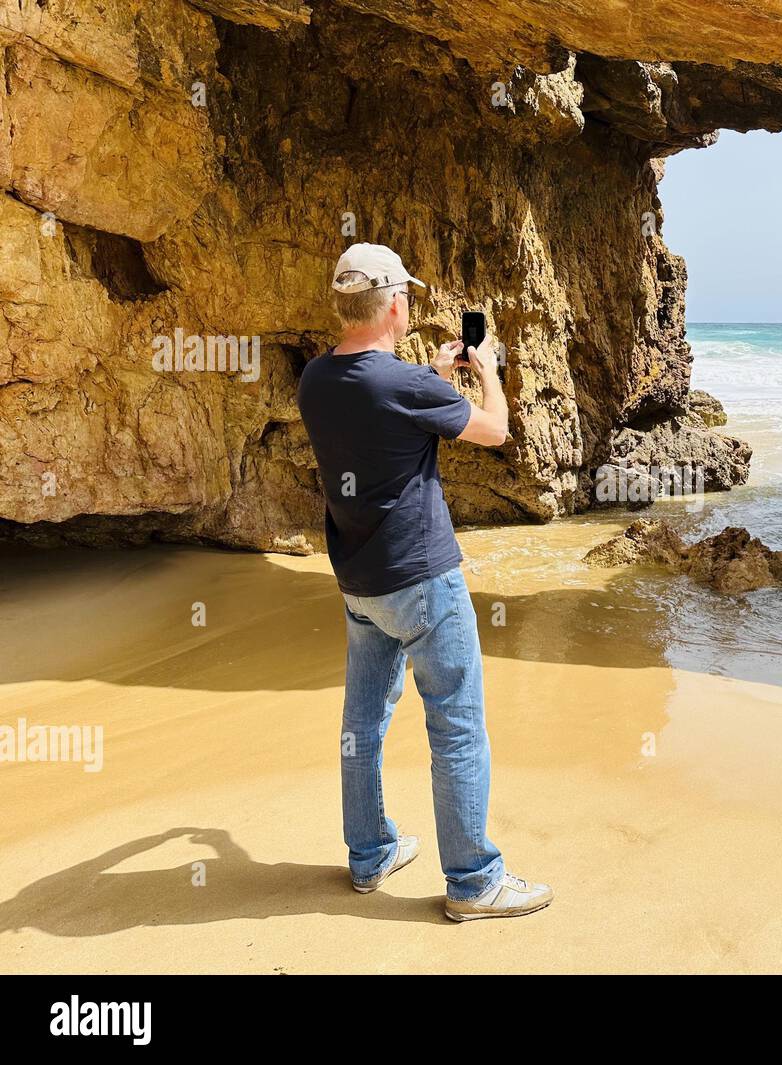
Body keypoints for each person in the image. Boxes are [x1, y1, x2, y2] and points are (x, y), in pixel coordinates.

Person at [296, 242, 552, 921]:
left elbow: (378, 410)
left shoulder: (316, 381)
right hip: (422, 581)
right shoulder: (408, 385)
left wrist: (433, 377)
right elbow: (495, 429)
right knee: (458, 724)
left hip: (359, 583)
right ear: (395, 304)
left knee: (363, 722)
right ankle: (474, 881)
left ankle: (369, 851)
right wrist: (486, 369)